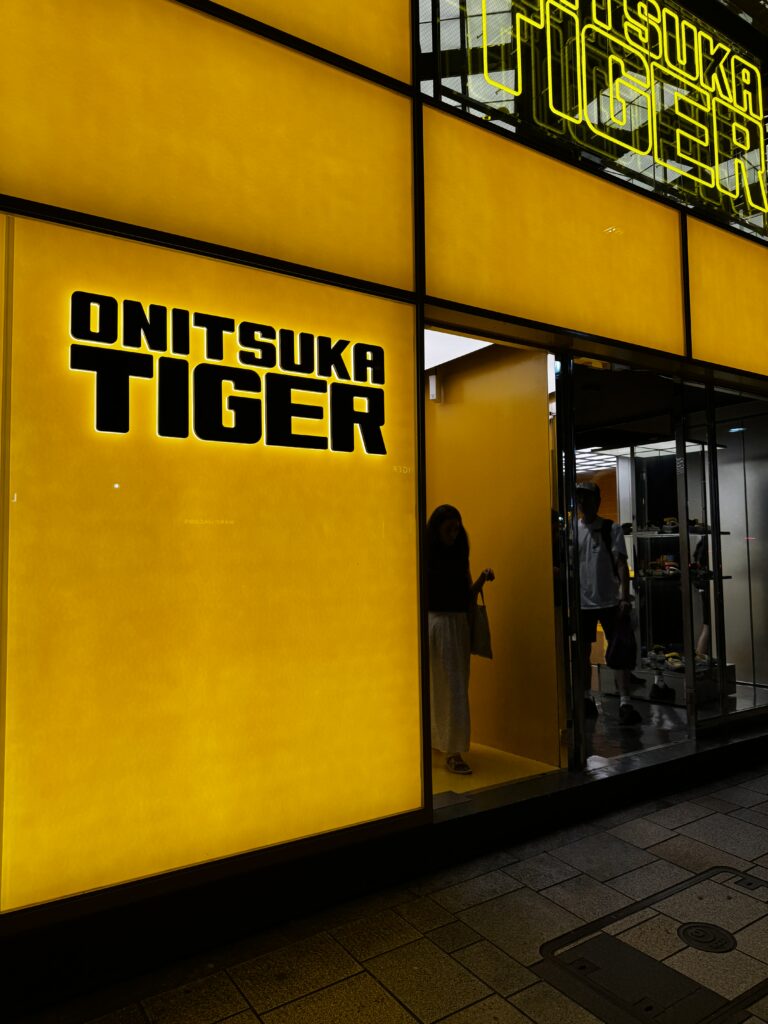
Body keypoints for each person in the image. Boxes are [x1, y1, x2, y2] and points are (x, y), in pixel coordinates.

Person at [426, 505, 494, 775]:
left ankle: (449, 747)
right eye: (449, 529)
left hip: (451, 624)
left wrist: (481, 579)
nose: (454, 534)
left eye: (456, 529)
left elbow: (466, 595)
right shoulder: (431, 556)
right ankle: (450, 749)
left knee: (451, 688)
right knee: (447, 687)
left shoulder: (451, 555)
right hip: (441, 623)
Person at [576, 482, 642, 726]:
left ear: (597, 501)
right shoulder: (573, 530)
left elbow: (621, 564)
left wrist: (624, 596)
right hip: (583, 602)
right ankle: (587, 697)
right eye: (580, 498)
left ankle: (624, 701)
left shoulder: (611, 529)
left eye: (587, 497)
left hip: (609, 601)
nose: (582, 502)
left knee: (619, 652)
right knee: (583, 653)